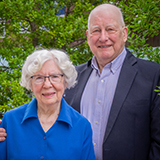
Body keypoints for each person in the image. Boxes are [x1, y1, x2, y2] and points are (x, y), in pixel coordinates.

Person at [1, 3, 160, 160]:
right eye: (96, 30)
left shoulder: (153, 75)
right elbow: (46, 109)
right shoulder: (73, 76)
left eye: (110, 29)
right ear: (88, 37)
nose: (103, 37)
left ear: (124, 33)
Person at [0, 49, 95, 160]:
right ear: (30, 84)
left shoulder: (82, 126)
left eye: (55, 77)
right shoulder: (11, 121)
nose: (47, 84)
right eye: (39, 78)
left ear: (65, 82)